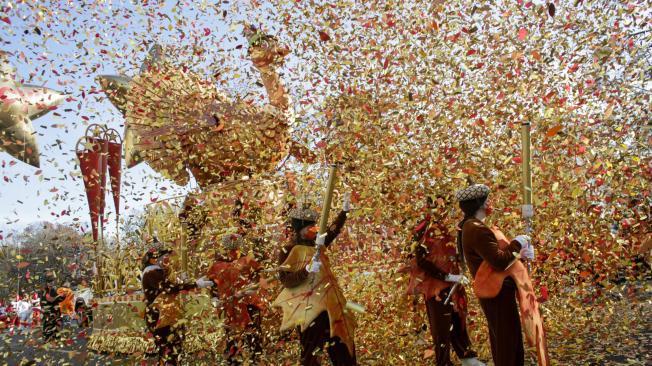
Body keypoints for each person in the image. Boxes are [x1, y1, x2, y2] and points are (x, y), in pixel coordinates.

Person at [456, 184, 534, 366]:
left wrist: (520, 254)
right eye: (487, 200)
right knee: (507, 342)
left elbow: (492, 260)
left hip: (497, 292)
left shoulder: (473, 226)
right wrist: (517, 243)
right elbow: (499, 262)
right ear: (480, 203)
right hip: (496, 292)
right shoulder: (476, 228)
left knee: (508, 340)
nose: (490, 203)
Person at [272, 194, 356, 366]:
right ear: (299, 229)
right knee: (311, 352)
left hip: (331, 304)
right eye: (308, 227)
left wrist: (344, 213)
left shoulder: (317, 243)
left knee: (342, 345)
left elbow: (332, 230)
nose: (313, 229)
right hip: (308, 310)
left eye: (313, 226)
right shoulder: (288, 249)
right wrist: (306, 270)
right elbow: (286, 280)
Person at [404, 196, 484, 366]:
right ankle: (443, 362)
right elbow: (420, 259)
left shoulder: (451, 227)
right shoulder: (424, 229)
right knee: (441, 329)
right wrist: (446, 277)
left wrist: (460, 269)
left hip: (455, 286)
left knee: (458, 321)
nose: (442, 210)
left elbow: (458, 253)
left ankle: (468, 359)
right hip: (435, 287)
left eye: (445, 206)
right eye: (437, 206)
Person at [141, 242, 214, 365]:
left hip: (167, 315)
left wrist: (183, 281)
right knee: (168, 349)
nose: (168, 260)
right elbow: (169, 288)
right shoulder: (151, 272)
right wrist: (195, 284)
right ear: (155, 259)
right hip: (160, 316)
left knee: (174, 347)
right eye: (165, 257)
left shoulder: (158, 272)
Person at [207, 234, 265, 365]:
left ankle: (255, 360)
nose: (233, 253)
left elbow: (259, 278)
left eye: (235, 249)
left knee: (253, 334)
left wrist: (251, 289)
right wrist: (214, 298)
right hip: (230, 305)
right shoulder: (217, 265)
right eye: (229, 250)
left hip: (249, 303)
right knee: (232, 335)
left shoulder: (248, 261)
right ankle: (233, 361)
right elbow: (212, 284)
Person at [41, 273, 64, 342]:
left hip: (55, 310)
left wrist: (60, 297)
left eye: (52, 281)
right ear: (47, 283)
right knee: (47, 324)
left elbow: (61, 298)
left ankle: (57, 337)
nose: (50, 283)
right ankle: (48, 338)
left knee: (57, 323)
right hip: (48, 311)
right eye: (49, 282)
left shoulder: (56, 289)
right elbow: (46, 299)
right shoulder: (45, 290)